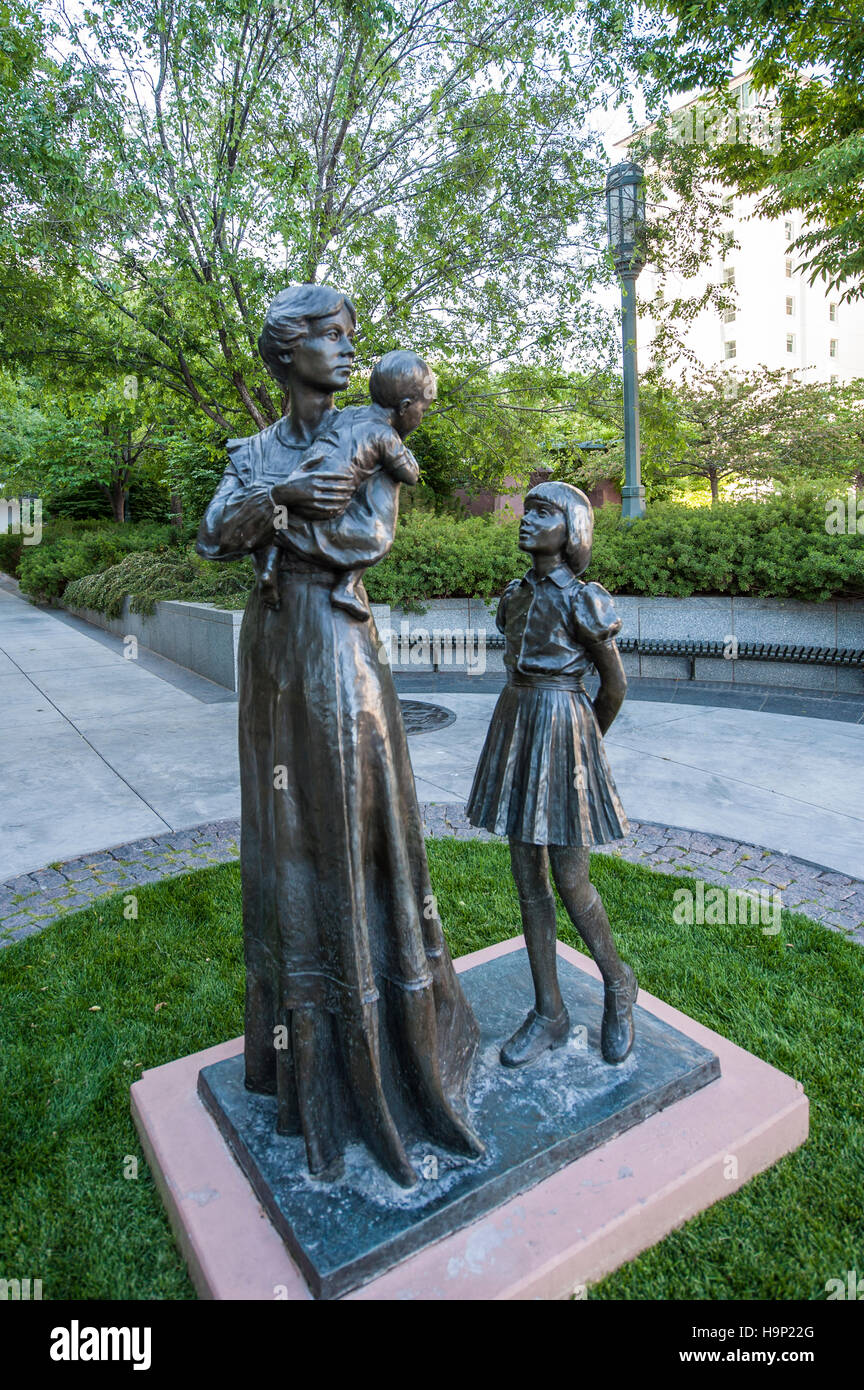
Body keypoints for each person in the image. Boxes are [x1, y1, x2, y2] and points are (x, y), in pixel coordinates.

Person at [196, 285, 483, 1188]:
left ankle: (382, 1060)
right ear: (287, 352)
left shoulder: (372, 430)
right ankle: (299, 1073)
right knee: (288, 838)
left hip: (337, 641)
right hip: (274, 653)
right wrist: (278, 498)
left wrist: (280, 528)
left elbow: (366, 540)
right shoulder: (257, 451)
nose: (347, 347)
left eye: (350, 334)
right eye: (329, 335)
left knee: (355, 832)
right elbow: (211, 535)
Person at [466, 481, 638, 1069]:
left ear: (571, 530)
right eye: (526, 507)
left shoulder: (583, 598)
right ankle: (549, 1011)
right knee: (526, 877)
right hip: (515, 723)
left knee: (570, 877)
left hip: (564, 726)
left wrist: (583, 747)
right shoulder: (513, 596)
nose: (526, 518)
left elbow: (613, 686)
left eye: (543, 512)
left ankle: (618, 981)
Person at [255, 350, 436, 619]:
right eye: (423, 410)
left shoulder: (350, 414)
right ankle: (345, 586)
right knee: (377, 536)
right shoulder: (385, 435)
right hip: (329, 497)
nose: (421, 418)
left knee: (281, 516)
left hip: (299, 480)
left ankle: (270, 563)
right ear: (405, 406)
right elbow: (409, 474)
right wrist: (405, 451)